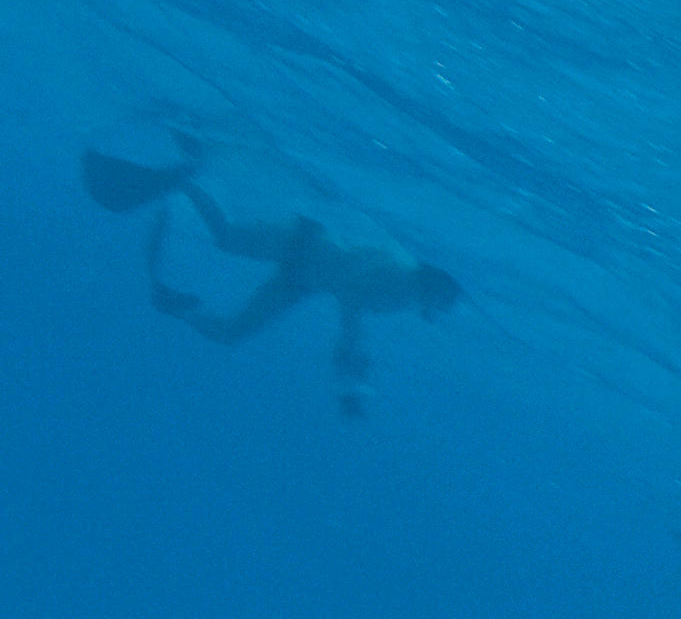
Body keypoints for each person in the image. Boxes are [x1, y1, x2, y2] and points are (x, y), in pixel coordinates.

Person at [82, 131, 461, 414]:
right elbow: (351, 298)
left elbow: (351, 300)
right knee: (226, 238)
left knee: (231, 332)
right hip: (302, 244)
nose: (441, 310)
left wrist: (350, 361)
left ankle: (177, 306)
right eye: (444, 301)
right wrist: (351, 357)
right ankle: (185, 179)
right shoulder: (402, 282)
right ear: (436, 286)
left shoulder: (404, 283)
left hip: (303, 278)